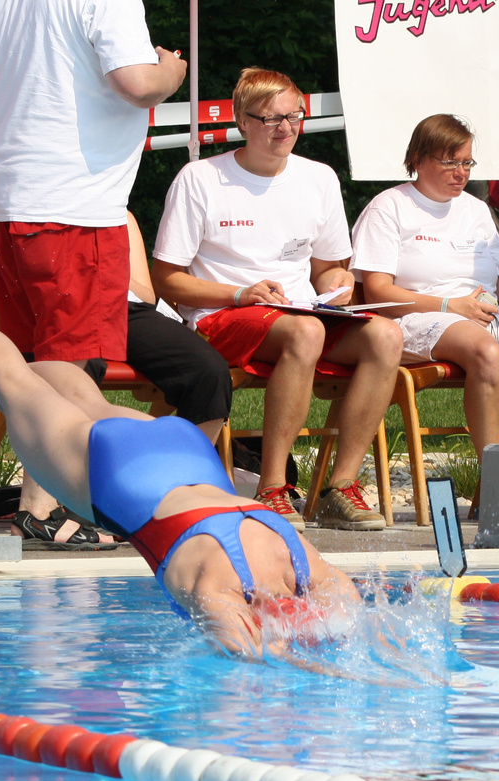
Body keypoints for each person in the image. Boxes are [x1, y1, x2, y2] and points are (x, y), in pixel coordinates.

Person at [0, 284, 359, 657]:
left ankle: (21, 385)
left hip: (186, 451)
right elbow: (252, 665)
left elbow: (355, 618)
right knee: (10, 381)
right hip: (119, 478)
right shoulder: (222, 588)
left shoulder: (308, 563)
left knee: (82, 399)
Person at [0, 0, 185, 548]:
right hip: (74, 205)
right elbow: (136, 83)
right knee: (71, 368)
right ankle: (47, 505)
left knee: (36, 365)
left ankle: (40, 503)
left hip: (8, 196)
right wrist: (171, 72)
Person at [153, 67, 404, 531]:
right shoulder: (201, 178)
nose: (285, 128)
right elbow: (167, 280)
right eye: (270, 119)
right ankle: (272, 488)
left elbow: (328, 265)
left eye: (294, 117)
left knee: (387, 336)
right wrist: (238, 293)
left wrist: (340, 282)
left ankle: (340, 488)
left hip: (300, 315)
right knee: (305, 331)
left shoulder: (318, 177)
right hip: (223, 314)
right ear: (241, 121)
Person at [352, 114, 499, 468]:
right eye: (450, 162)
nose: (461, 172)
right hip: (416, 317)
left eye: (466, 162)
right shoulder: (390, 206)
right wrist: (450, 305)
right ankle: (495, 480)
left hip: (485, 314)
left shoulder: (477, 210)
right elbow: (377, 291)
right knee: (486, 351)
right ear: (417, 159)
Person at [122, 213, 232, 442]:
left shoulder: (119, 213)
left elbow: (146, 296)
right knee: (71, 369)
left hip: (127, 309)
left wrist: (111, 273)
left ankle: (190, 472)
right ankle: (53, 473)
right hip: (69, 309)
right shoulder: (39, 206)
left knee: (209, 371)